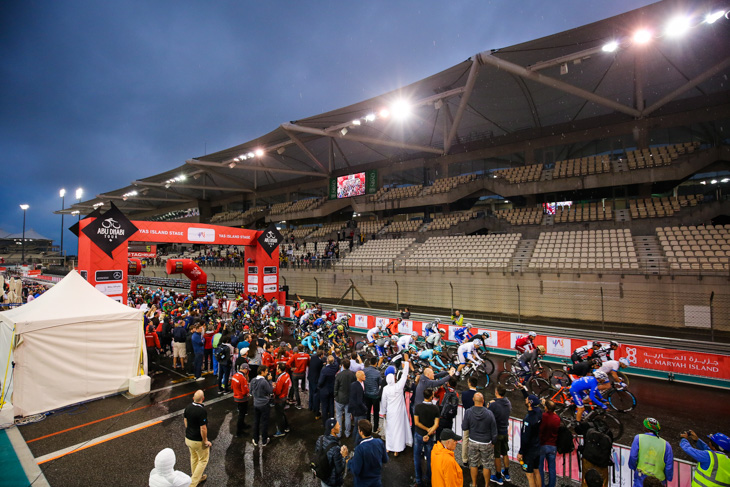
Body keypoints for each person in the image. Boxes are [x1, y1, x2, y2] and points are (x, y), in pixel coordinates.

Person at [462, 392, 498, 487]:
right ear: (483, 401)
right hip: (486, 442)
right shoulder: (489, 413)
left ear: (473, 400)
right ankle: (486, 485)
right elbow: (494, 430)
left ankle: (474, 484)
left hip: (473, 441)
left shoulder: (468, 412)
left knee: (473, 463)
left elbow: (464, 427)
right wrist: (494, 442)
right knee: (486, 464)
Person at [628, 418, 674, 487]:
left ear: (647, 428)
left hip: (641, 475)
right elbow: (669, 466)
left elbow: (633, 456)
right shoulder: (666, 445)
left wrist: (633, 467)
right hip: (658, 479)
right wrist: (669, 477)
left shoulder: (638, 438)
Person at [381, 361, 412, 456]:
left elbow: (383, 401)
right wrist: (406, 364)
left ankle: (389, 448)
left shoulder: (385, 389)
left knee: (390, 430)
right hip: (398, 413)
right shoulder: (399, 386)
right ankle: (397, 450)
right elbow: (404, 375)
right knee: (398, 430)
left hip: (390, 412)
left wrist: (383, 412)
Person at [183, 390, 211, 487]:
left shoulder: (188, 407)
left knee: (194, 458)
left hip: (188, 438)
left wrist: (189, 430)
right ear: (203, 399)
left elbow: (185, 420)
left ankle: (197, 477)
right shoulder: (202, 411)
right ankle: (192, 483)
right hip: (197, 440)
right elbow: (203, 428)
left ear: (193, 398)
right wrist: (205, 441)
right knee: (203, 460)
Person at [413, 388, 440, 487]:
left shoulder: (418, 407)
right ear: (432, 396)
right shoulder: (435, 408)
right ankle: (429, 478)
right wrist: (429, 432)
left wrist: (425, 430)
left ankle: (418, 480)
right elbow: (436, 424)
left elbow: (416, 422)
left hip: (419, 435)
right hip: (430, 436)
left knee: (416, 458)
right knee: (430, 459)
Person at [349, 419, 388, 487]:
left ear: (361, 432)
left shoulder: (359, 449)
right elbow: (385, 459)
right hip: (376, 482)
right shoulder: (379, 442)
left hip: (362, 483)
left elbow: (355, 470)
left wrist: (348, 460)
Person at [488, 384, 512, 485]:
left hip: (497, 433)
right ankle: (506, 473)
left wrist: (489, 404)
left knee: (497, 455)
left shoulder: (493, 405)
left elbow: (488, 415)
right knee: (505, 452)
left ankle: (498, 476)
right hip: (505, 431)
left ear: (496, 392)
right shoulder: (508, 403)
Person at [315, 418, 349, 487]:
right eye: (337, 425)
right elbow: (339, 469)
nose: (339, 426)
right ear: (333, 430)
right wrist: (345, 456)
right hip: (333, 482)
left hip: (323, 477)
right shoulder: (335, 448)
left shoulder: (320, 439)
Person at [518, 394, 543, 487]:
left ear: (529, 404)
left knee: (529, 474)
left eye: (527, 399)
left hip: (529, 451)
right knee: (536, 471)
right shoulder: (539, 412)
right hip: (537, 447)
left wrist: (521, 452)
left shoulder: (528, 420)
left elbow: (525, 438)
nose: (525, 399)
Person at [539, 399, 561, 487]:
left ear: (546, 408)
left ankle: (542, 485)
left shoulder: (543, 416)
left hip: (543, 445)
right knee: (552, 468)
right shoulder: (557, 418)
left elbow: (540, 430)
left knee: (540, 467)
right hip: (553, 446)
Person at [250, 365, 273, 447]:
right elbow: (270, 390)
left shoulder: (253, 380)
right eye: (266, 371)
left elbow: (250, 391)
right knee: (264, 422)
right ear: (262, 372)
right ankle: (264, 440)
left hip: (256, 403)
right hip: (264, 404)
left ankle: (255, 439)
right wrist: (270, 381)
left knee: (256, 422)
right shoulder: (264, 382)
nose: (267, 373)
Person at [334, 359, 357, 439]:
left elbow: (336, 387)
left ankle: (339, 433)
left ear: (343, 365)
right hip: (349, 398)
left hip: (339, 398)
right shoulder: (353, 375)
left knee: (339, 416)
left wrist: (335, 396)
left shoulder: (339, 375)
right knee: (348, 416)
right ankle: (347, 433)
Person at [363, 357, 383, 433]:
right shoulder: (377, 373)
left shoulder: (365, 370)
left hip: (366, 394)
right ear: (376, 363)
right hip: (375, 396)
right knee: (376, 413)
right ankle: (375, 428)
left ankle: (367, 427)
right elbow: (380, 383)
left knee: (367, 412)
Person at [230, 363, 250, 437]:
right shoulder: (242, 378)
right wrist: (248, 389)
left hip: (236, 396)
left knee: (241, 413)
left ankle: (242, 425)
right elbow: (245, 391)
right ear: (245, 369)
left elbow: (232, 386)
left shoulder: (235, 375)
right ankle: (239, 431)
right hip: (242, 398)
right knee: (242, 414)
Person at [272, 362, 291, 438]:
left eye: (277, 367)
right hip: (284, 396)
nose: (276, 368)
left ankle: (281, 431)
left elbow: (278, 391)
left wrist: (273, 388)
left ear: (279, 369)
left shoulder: (280, 378)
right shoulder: (287, 375)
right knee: (282, 413)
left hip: (279, 399)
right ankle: (286, 427)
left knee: (279, 415)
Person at [349, 370, 368, 447]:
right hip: (360, 411)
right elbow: (360, 401)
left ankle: (354, 441)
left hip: (355, 410)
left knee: (356, 427)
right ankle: (357, 445)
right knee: (360, 429)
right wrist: (365, 409)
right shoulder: (359, 387)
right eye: (363, 375)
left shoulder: (353, 384)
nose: (365, 376)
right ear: (360, 377)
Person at [318, 354, 339, 425]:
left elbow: (321, 381)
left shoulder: (324, 370)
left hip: (324, 390)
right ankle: (332, 420)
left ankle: (325, 422)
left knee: (324, 406)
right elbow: (336, 362)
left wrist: (319, 386)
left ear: (327, 361)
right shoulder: (335, 367)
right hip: (331, 389)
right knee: (331, 405)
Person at [309, 349, 324, 418]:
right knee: (316, 395)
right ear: (321, 355)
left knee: (311, 393)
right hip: (315, 380)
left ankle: (310, 407)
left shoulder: (313, 357)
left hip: (310, 378)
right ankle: (316, 409)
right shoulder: (319, 362)